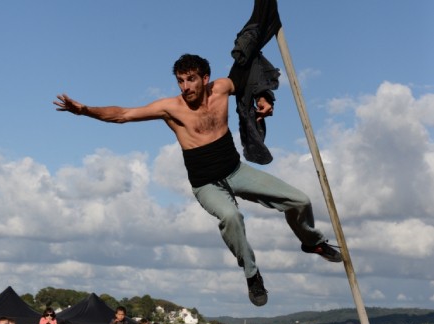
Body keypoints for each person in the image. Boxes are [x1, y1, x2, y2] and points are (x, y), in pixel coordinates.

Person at [54, 53, 342, 307]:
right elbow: (123, 114)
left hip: (236, 172)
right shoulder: (171, 108)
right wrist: (85, 111)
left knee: (300, 200)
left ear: (205, 78)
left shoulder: (222, 88)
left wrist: (265, 98)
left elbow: (252, 75)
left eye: (190, 80)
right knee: (231, 217)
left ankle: (311, 242)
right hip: (206, 185)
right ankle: (252, 274)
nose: (185, 87)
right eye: (180, 81)